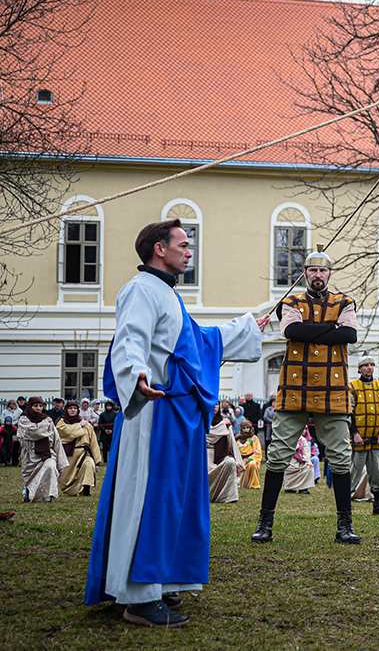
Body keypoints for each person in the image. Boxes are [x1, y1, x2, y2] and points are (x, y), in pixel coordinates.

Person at [85, 220, 265, 627]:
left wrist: (247, 327)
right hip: (156, 411)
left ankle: (158, 583)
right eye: (183, 245)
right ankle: (140, 597)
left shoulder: (166, 295)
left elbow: (197, 343)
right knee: (152, 498)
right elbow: (130, 338)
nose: (190, 251)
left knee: (173, 500)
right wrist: (136, 373)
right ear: (158, 249)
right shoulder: (141, 291)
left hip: (177, 417)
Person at [250, 245, 359, 545]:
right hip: (294, 390)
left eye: (323, 271)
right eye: (313, 270)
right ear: (305, 274)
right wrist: (329, 328)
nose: (318, 275)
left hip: (333, 390)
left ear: (330, 274)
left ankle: (345, 525)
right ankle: (265, 523)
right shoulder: (290, 301)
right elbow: (292, 332)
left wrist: (311, 330)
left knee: (340, 457)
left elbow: (349, 335)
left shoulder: (345, 302)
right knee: (278, 456)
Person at [348, 353, 379, 516]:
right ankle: (346, 504)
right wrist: (354, 434)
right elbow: (349, 411)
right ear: (360, 369)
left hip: (377, 439)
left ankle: (378, 504)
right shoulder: (352, 387)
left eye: (372, 365)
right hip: (360, 439)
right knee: (355, 471)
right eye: (366, 365)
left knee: (377, 472)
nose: (369, 368)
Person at [18, 396, 67, 502]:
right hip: (30, 456)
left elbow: (56, 440)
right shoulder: (24, 419)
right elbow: (34, 433)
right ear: (30, 407)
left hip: (47, 453)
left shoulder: (47, 419)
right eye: (36, 406)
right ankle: (30, 494)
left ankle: (50, 495)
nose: (39, 408)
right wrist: (45, 423)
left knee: (50, 467)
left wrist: (60, 464)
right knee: (31, 481)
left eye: (40, 406)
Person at [56, 400, 102, 496]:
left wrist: (97, 461)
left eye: (75, 408)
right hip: (69, 454)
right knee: (68, 478)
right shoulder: (61, 422)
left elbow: (93, 443)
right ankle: (72, 490)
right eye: (70, 408)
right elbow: (66, 433)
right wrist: (79, 426)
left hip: (84, 453)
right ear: (66, 410)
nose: (73, 410)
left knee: (88, 465)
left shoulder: (87, 425)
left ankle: (86, 490)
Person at [206, 414, 241, 503]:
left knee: (230, 462)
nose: (215, 407)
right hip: (203, 454)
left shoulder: (226, 424)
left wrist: (237, 462)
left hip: (219, 455)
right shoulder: (200, 421)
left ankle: (228, 496)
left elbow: (231, 442)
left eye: (217, 404)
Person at [237, 420, 262, 489]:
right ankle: (242, 484)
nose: (246, 430)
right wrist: (250, 442)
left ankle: (254, 485)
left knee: (252, 464)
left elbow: (258, 451)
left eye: (247, 428)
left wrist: (250, 458)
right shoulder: (238, 438)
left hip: (251, 458)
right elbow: (241, 449)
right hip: (240, 459)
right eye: (244, 428)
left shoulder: (255, 438)